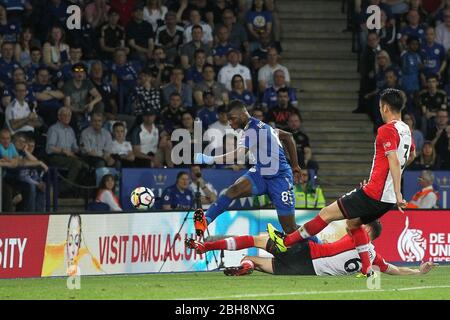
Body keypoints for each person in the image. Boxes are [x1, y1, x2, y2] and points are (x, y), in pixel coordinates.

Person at [268, 89, 415, 277]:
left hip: (375, 193)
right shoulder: (406, 130)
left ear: (385, 107)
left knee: (326, 214)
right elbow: (410, 156)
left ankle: (286, 242)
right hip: (385, 201)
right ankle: (367, 267)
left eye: (380, 107)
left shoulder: (386, 130)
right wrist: (392, 189)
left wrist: (398, 192)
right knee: (353, 223)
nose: (380, 110)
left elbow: (394, 160)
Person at [194, 100, 302, 235]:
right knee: (233, 190)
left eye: (231, 119)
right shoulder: (259, 126)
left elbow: (238, 154)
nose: (230, 124)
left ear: (241, 115)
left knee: (290, 229)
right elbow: (287, 136)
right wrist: (296, 165)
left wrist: (209, 159)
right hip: (261, 173)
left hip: (280, 177)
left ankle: (318, 242)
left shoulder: (253, 128)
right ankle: (205, 221)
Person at [185, 220, 438, 277]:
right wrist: (419, 272)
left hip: (306, 253)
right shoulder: (372, 255)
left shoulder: (358, 233)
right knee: (252, 258)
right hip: (307, 272)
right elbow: (392, 269)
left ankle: (205, 246)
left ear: (367, 230)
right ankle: (247, 266)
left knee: (254, 240)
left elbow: (354, 213)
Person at [46, 107, 89, 192]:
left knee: (87, 165)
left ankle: (75, 190)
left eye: (69, 115)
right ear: (59, 116)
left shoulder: (71, 130)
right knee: (76, 163)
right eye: (64, 115)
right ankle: (63, 188)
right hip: (56, 157)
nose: (67, 117)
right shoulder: (54, 129)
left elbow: (75, 148)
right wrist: (63, 151)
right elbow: (49, 148)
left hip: (69, 157)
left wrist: (81, 148)